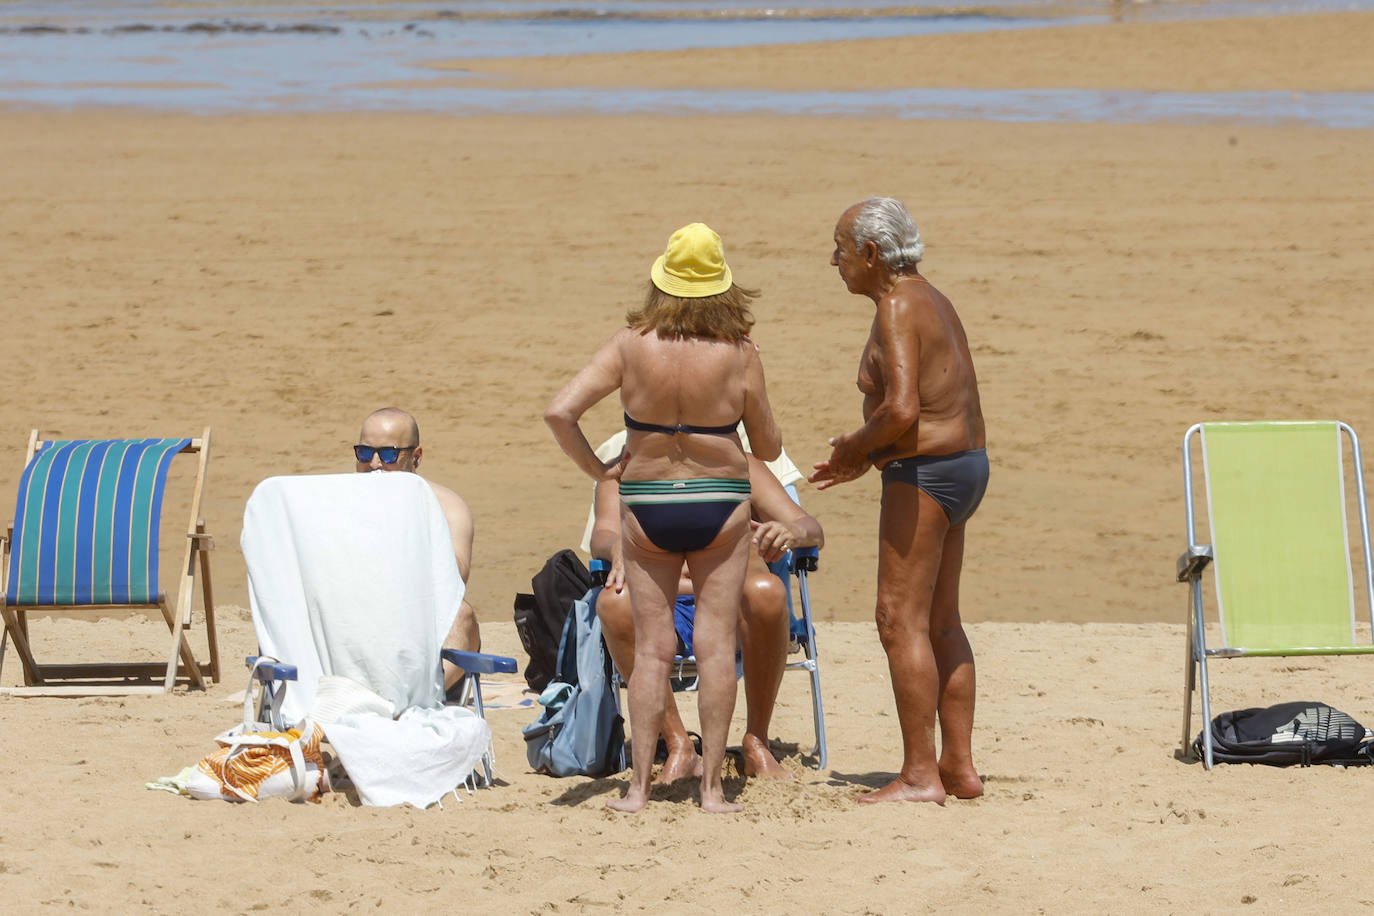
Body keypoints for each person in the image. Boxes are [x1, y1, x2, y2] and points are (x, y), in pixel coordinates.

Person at [545, 222, 782, 814]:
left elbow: (559, 412)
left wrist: (603, 472)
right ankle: (711, 792)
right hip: (720, 503)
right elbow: (770, 447)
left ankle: (637, 790)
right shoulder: (739, 352)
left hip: (649, 504)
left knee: (652, 649)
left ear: (661, 280)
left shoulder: (630, 344)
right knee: (714, 640)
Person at [809, 198, 989, 805]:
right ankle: (958, 767)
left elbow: (904, 407)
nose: (833, 261)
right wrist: (871, 455)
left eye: (839, 249)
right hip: (962, 468)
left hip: (928, 473)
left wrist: (855, 448)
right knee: (942, 621)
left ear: (870, 253)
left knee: (897, 619)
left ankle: (919, 775)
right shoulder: (934, 297)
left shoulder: (896, 304)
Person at [590, 448, 823, 783]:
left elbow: (810, 527)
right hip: (666, 605)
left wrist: (794, 533)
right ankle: (678, 745)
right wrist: (617, 547)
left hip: (731, 606)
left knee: (767, 591)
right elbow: (604, 532)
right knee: (614, 601)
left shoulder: (739, 464)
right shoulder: (625, 467)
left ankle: (757, 742)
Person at [354, 407, 480, 691]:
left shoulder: (446, 506)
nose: (374, 463)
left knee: (462, 615)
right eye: (364, 453)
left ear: (417, 457)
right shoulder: (338, 502)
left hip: (419, 621)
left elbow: (456, 577)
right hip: (355, 617)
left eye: (388, 455)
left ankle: (421, 695)